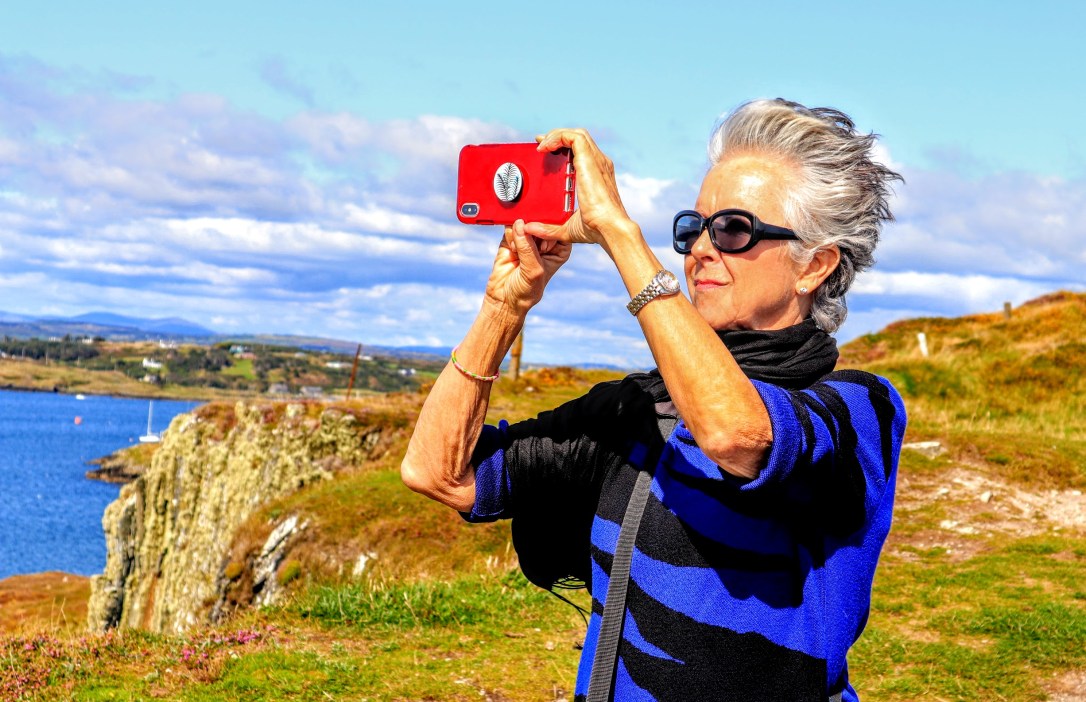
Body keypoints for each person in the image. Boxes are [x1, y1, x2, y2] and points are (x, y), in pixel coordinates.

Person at [402, 98, 906, 701]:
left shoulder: (857, 410)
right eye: (694, 228)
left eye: (734, 230)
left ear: (814, 267)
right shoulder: (639, 408)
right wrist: (504, 306)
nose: (699, 250)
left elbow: (738, 436)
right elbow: (439, 472)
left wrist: (620, 234)